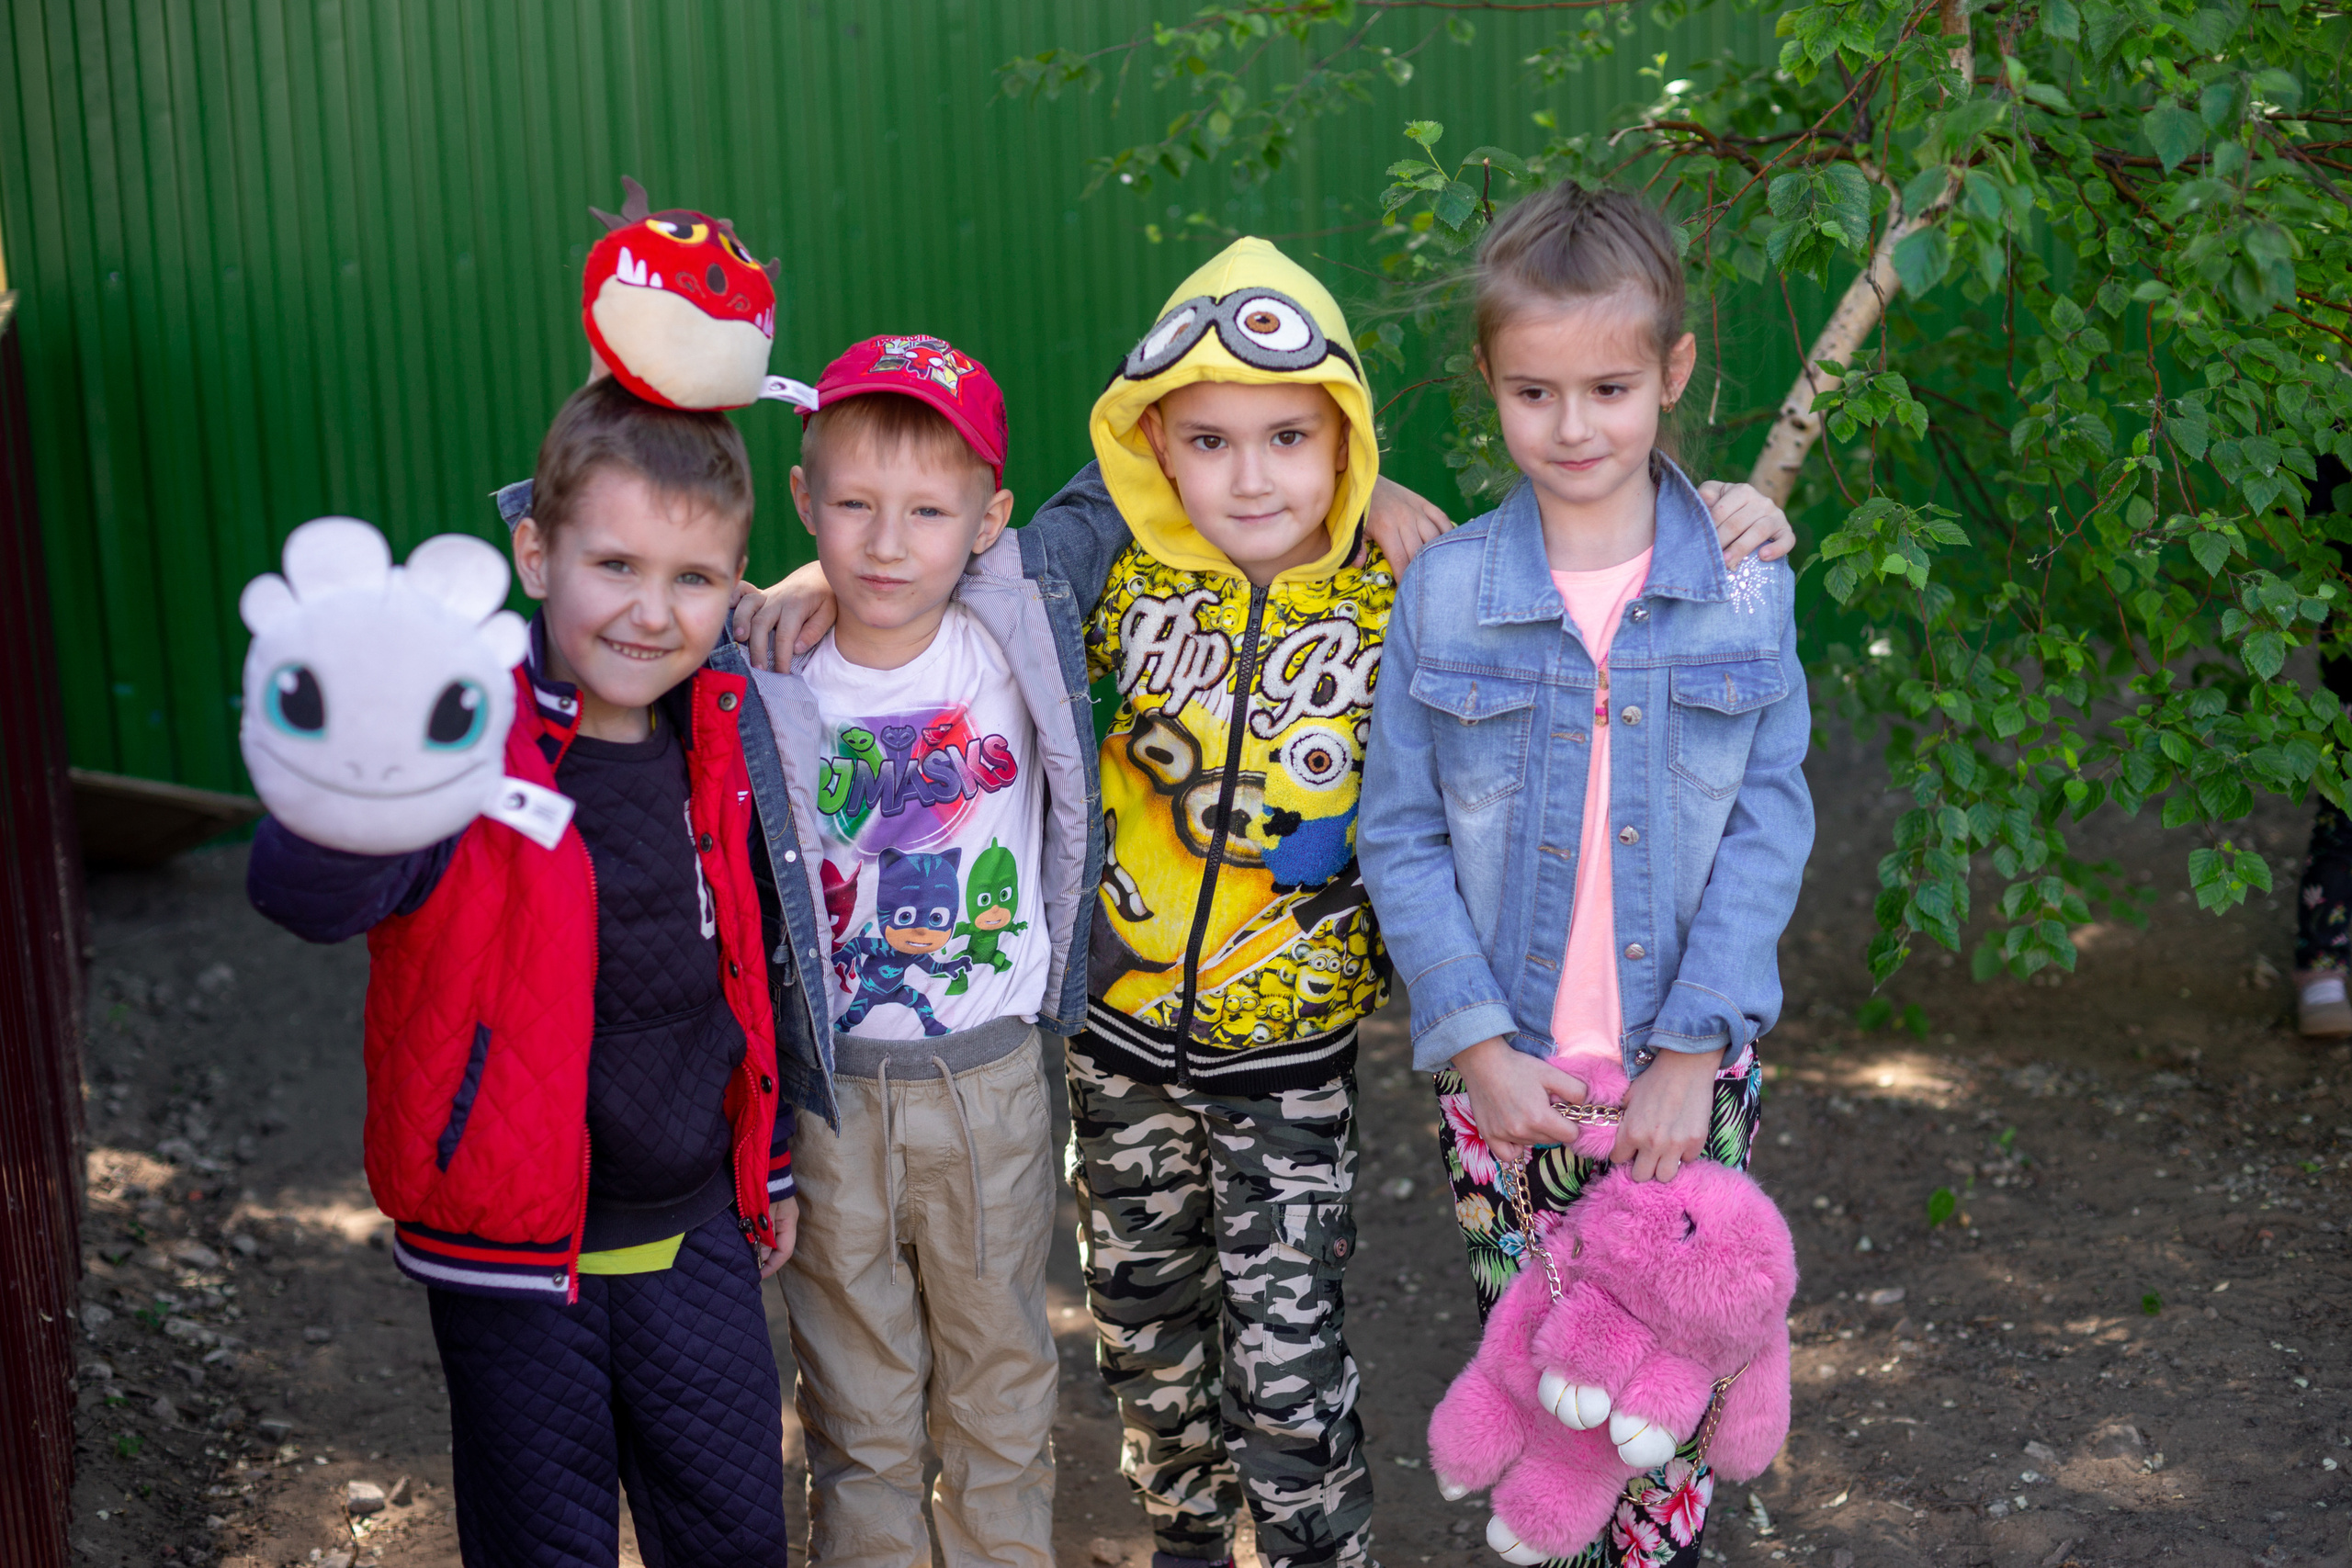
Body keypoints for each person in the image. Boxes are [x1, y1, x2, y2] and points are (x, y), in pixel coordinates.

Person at [247, 376, 823, 1567]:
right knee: (540, 1544)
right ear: (534, 552)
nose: (651, 613)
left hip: (697, 1231)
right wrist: (345, 770)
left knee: (733, 1537)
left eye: (694, 579)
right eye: (614, 565)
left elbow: (740, 970)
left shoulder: (722, 731)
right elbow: (309, 895)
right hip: (508, 1256)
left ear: (734, 584)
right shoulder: (462, 739)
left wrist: (765, 1162)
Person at [1358, 182, 1815, 1566]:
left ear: (1671, 375)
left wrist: (1692, 1049)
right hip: (1511, 1081)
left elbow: (1769, 821)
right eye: (1535, 393)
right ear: (1489, 385)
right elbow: (1402, 831)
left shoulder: (1742, 586)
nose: (1573, 429)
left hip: (1690, 1073)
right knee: (1548, 1378)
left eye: (1610, 388)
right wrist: (1475, 1045)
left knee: (1665, 1397)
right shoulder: (1444, 594)